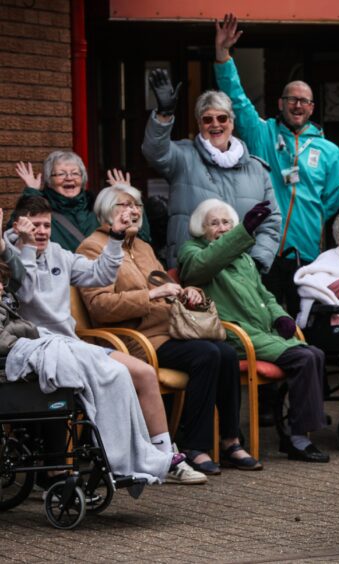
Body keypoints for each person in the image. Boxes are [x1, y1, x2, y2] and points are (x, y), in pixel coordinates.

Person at [2, 196, 203, 485]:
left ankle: (164, 455)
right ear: (20, 225)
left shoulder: (59, 253)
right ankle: (119, 458)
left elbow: (102, 273)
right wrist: (28, 246)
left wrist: (115, 236)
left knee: (144, 373)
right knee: (116, 375)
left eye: (47, 225)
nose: (42, 231)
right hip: (39, 347)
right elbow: (28, 293)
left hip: (73, 343)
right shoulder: (10, 257)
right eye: (35, 225)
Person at [77, 185, 262, 474]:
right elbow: (100, 307)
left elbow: (162, 286)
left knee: (225, 352)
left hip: (169, 331)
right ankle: (194, 446)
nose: (134, 211)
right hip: (134, 340)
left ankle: (230, 440)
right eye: (124, 205)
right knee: (206, 354)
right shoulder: (91, 247)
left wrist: (185, 291)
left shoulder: (143, 246)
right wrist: (149, 296)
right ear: (106, 212)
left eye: (136, 204)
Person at [178, 199, 330, 463]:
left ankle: (297, 432)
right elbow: (202, 266)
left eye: (227, 222)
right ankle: (298, 439)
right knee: (304, 357)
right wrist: (242, 233)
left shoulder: (243, 257)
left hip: (261, 332)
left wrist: (282, 316)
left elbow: (266, 296)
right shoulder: (193, 251)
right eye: (214, 223)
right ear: (201, 228)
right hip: (235, 335)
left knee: (315, 353)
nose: (222, 228)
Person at [214, 14, 339, 317]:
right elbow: (237, 99)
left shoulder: (329, 150)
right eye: (292, 99)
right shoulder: (263, 134)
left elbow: (331, 201)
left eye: (304, 101)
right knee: (263, 317)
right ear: (280, 104)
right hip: (263, 249)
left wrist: (306, 219)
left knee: (305, 321)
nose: (298, 105)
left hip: (306, 253)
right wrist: (223, 56)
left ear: (312, 108)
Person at [142, 70, 281, 275]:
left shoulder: (256, 169)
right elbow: (155, 152)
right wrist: (164, 114)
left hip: (241, 274)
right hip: (192, 271)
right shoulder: (184, 157)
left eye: (222, 118)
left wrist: (257, 263)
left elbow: (271, 222)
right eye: (207, 120)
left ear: (232, 123)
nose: (215, 124)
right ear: (199, 124)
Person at [14, 154, 152, 251]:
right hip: (63, 286)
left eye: (75, 173)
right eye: (61, 174)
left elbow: (140, 239)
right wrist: (31, 194)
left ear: (83, 179)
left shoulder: (98, 207)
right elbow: (15, 236)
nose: (69, 178)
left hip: (101, 281)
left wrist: (129, 198)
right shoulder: (43, 210)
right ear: (49, 181)